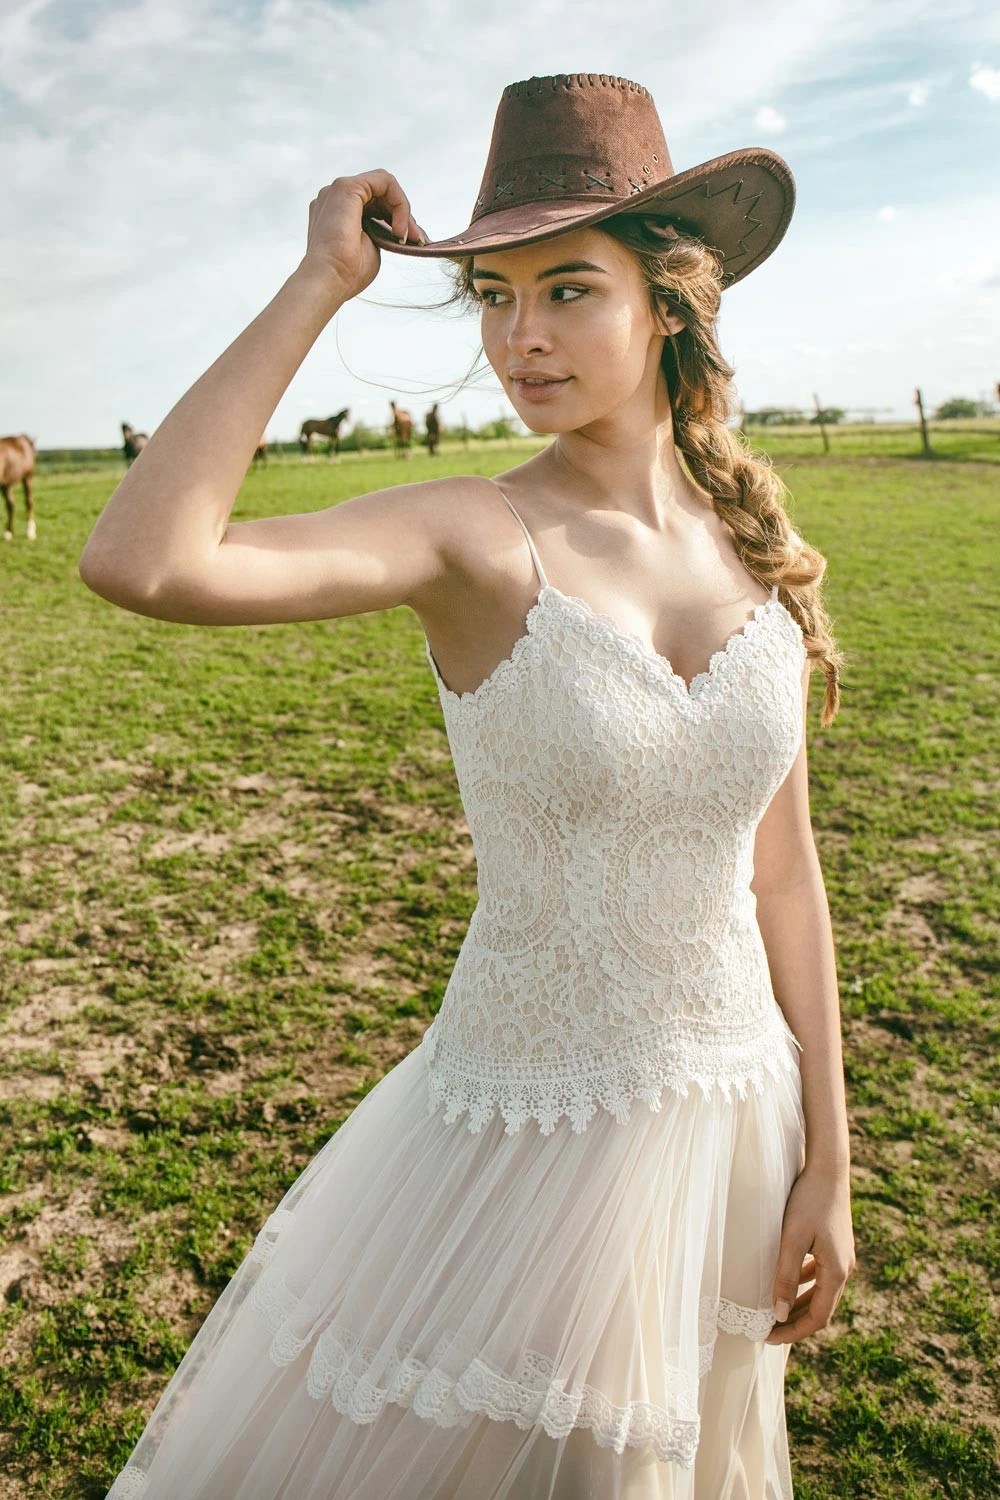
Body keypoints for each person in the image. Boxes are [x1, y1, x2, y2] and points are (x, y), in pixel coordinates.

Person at [80, 71, 855, 1500]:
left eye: (567, 290)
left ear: (670, 304)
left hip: (740, 1124)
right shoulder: (472, 536)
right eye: (494, 296)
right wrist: (320, 284)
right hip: (531, 1141)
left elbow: (782, 872)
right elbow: (146, 561)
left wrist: (832, 1155)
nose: (521, 336)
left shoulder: (757, 547)